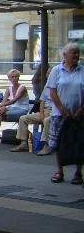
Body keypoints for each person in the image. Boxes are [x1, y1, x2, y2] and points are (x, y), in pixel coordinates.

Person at [47, 43, 84, 183]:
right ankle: (59, 171)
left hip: (79, 114)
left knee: (79, 141)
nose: (76, 55)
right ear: (65, 55)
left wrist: (81, 109)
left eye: (77, 52)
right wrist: (62, 109)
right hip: (60, 113)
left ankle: (78, 173)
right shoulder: (57, 70)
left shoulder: (82, 70)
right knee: (59, 142)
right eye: (73, 52)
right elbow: (52, 91)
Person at [0, 69, 31, 150]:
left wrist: (1, 106)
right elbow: (4, 101)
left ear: (18, 77)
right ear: (9, 78)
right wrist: (1, 107)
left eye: (16, 77)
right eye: (12, 77)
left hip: (22, 109)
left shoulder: (22, 88)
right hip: (12, 108)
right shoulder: (9, 89)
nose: (14, 79)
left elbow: (14, 100)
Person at [10, 84, 52, 155]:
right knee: (23, 118)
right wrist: (42, 113)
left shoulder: (62, 86)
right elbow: (42, 102)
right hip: (46, 110)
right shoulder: (47, 87)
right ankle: (23, 143)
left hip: (55, 111)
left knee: (46, 121)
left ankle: (46, 146)